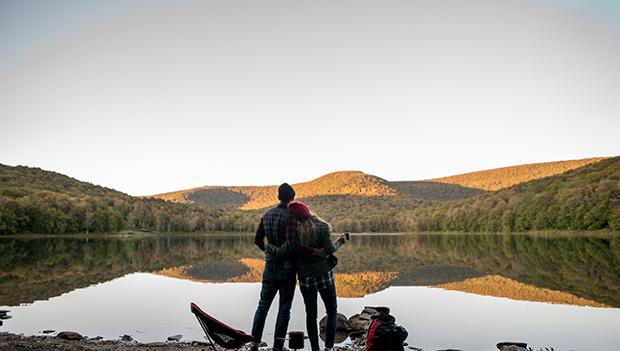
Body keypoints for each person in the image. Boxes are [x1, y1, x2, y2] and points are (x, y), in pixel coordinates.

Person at [266, 201, 348, 351]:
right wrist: (340, 241)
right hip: (324, 275)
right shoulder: (322, 227)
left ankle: (315, 349)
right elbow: (329, 250)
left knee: (311, 315)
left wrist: (268, 246)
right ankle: (329, 347)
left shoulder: (293, 232)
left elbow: (288, 249)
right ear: (307, 211)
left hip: (305, 279)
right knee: (331, 311)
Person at [250, 183, 298, 351]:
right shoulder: (292, 217)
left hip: (269, 267)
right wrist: (279, 252)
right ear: (292, 198)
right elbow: (292, 245)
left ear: (279, 197)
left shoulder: (266, 215)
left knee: (263, 305)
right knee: (284, 308)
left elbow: (258, 240)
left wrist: (268, 251)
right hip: (287, 268)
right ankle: (278, 346)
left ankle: (254, 343)